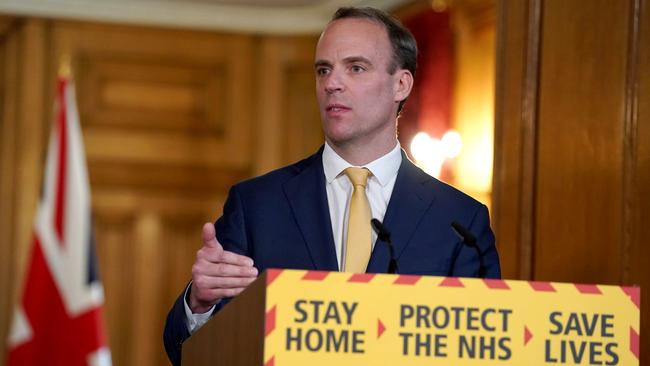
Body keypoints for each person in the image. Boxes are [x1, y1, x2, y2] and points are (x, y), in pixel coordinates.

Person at [163, 6, 500, 365]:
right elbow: (185, 352)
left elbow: (486, 348)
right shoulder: (257, 205)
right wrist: (200, 303)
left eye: (355, 68)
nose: (332, 83)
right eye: (324, 69)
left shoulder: (460, 222)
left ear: (401, 84)